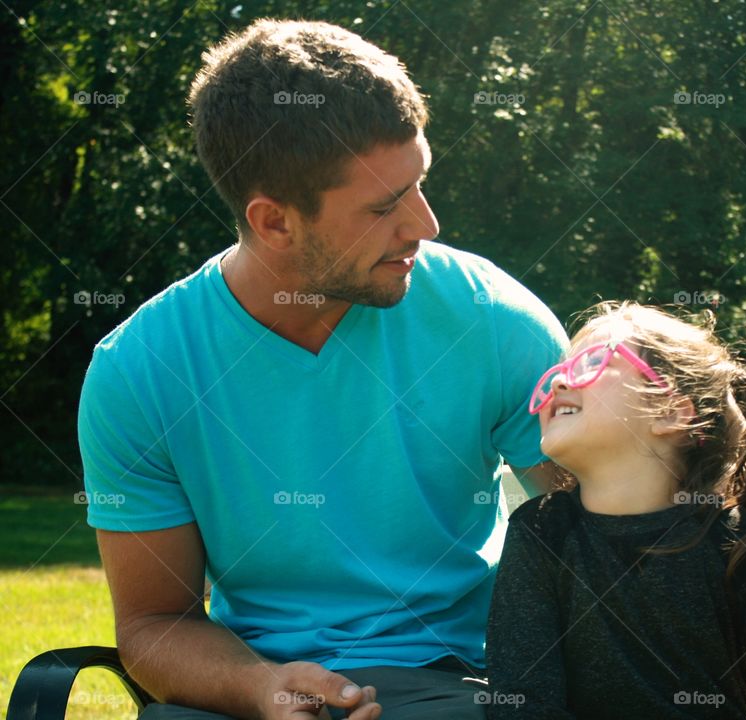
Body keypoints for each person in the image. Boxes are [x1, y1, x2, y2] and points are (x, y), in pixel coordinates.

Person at [77, 19, 568, 720]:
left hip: (461, 681)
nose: (424, 225)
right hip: (246, 692)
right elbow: (154, 625)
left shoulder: (493, 320)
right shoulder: (138, 372)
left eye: (419, 184)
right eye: (384, 206)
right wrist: (260, 689)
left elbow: (611, 548)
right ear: (274, 222)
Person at [485, 301, 746, 719]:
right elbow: (524, 701)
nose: (560, 382)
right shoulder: (541, 533)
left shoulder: (740, 547)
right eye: (559, 372)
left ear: (672, 412)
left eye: (592, 362)